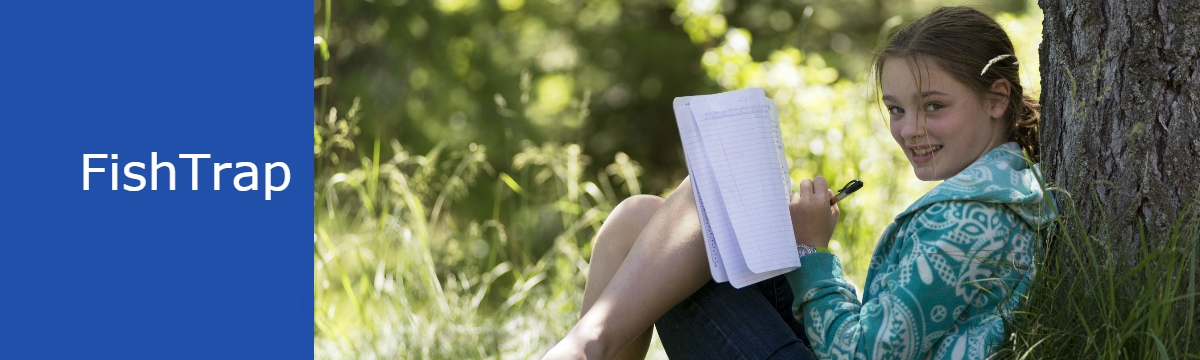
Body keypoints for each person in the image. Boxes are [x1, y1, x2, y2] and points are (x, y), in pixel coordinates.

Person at [543, 6, 1057, 360]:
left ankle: (582, 349)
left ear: (996, 99)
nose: (910, 129)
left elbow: (858, 353)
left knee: (677, 219)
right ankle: (586, 347)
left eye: (934, 106)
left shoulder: (973, 217)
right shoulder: (1001, 192)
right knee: (643, 216)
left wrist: (813, 252)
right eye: (897, 110)